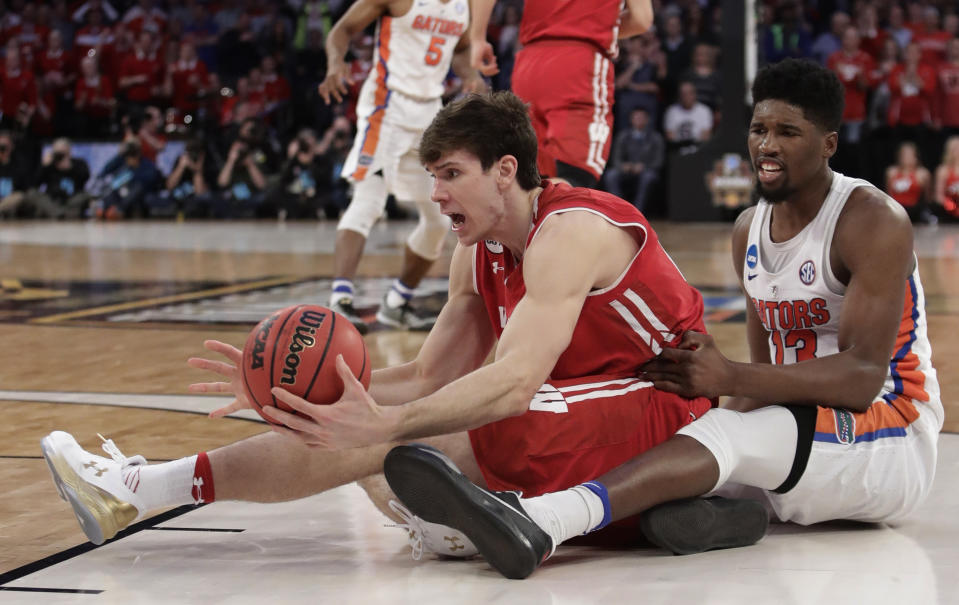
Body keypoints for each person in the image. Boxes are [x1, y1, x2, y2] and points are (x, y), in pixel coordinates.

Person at [41, 92, 719, 577]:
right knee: (365, 434)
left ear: (504, 171)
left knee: (406, 438)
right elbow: (429, 375)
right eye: (433, 178)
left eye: (451, 174)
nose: (436, 195)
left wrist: (386, 423)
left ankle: (141, 487)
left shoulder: (569, 232)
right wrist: (299, 400)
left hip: (671, 410)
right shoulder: (476, 248)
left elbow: (513, 382)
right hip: (588, 399)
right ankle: (479, 518)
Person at [383, 59, 942, 580]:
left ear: (828, 144)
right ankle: (709, 515)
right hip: (807, 436)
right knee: (692, 445)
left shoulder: (871, 220)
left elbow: (863, 378)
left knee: (728, 434)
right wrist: (719, 409)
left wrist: (728, 382)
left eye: (787, 133)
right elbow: (765, 374)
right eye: (758, 130)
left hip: (889, 432)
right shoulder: (750, 228)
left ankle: (543, 520)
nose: (766, 146)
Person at [318, 0, 485, 333]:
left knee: (441, 219)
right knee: (368, 202)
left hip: (429, 114)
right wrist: (336, 63)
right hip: (386, 106)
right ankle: (339, 301)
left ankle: (397, 304)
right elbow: (342, 30)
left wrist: (471, 75)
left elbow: (462, 49)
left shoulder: (461, 7)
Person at [469, 0, 653, 188]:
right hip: (579, 61)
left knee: (531, 177)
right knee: (575, 177)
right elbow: (641, 19)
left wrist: (477, 38)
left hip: (530, 62)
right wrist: (600, 26)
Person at [602, 107, 664, 212]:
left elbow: (659, 161)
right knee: (611, 175)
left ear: (647, 120)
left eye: (641, 118)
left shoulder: (655, 137)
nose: (638, 120)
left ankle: (637, 212)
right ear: (631, 119)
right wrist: (623, 165)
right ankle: (619, 209)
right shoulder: (623, 136)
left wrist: (644, 166)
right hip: (626, 170)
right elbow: (615, 158)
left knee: (648, 177)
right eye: (636, 117)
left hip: (646, 171)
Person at [885, 140, 933, 223]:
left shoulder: (922, 173)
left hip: (914, 209)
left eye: (910, 155)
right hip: (896, 209)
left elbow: (927, 197)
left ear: (916, 156)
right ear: (899, 156)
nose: (907, 158)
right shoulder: (891, 172)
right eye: (905, 155)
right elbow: (888, 195)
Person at [933, 135, 959, 221]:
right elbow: (938, 196)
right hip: (948, 210)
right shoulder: (943, 170)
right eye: (955, 148)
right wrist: (953, 208)